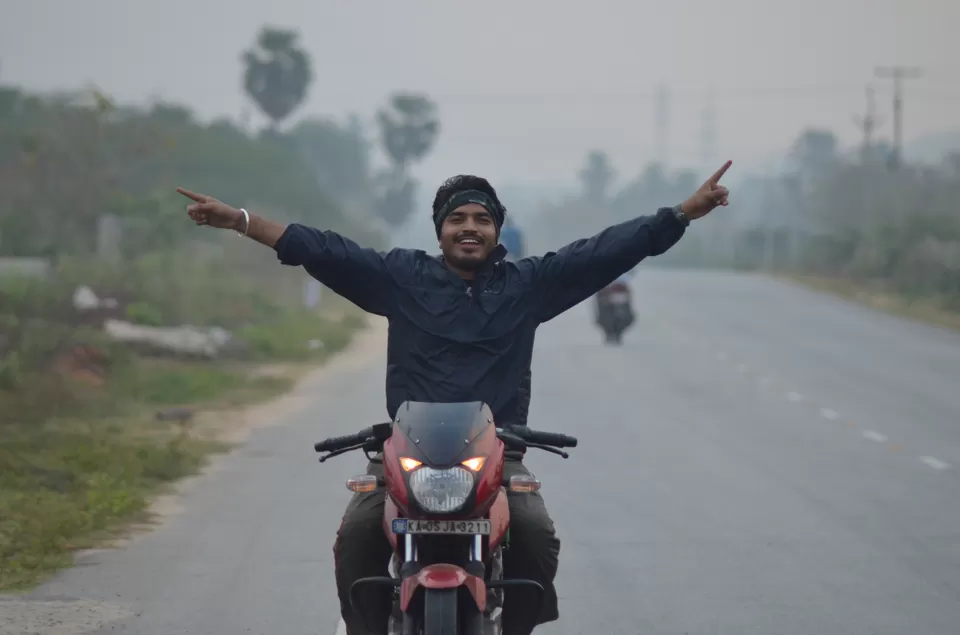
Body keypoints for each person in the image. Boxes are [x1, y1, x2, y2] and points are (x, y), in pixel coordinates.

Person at [176, 160, 731, 635]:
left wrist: (682, 214)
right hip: (406, 453)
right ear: (440, 231)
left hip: (499, 453)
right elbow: (323, 250)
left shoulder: (528, 286)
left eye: (482, 219)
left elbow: (605, 252)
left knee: (535, 534)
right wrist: (241, 221)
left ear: (497, 231)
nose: (469, 228)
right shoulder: (401, 278)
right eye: (457, 219)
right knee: (358, 534)